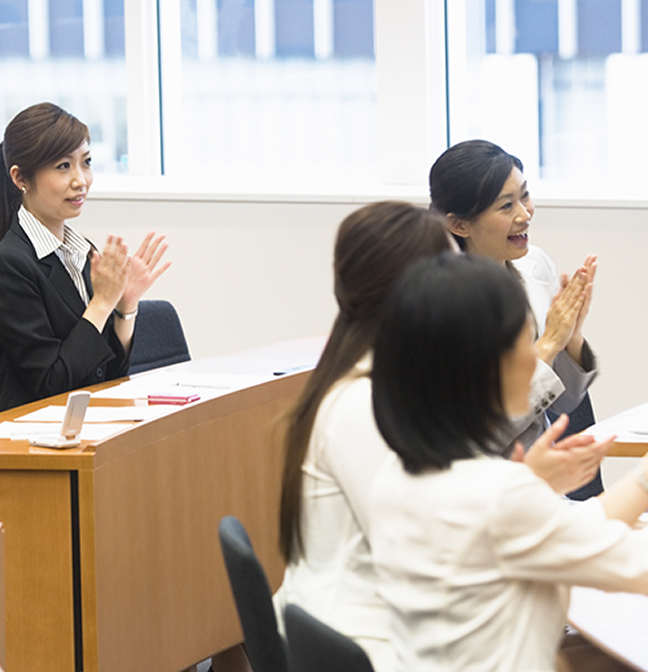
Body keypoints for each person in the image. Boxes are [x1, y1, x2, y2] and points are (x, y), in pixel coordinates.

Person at [274, 203, 611, 672]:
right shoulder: (360, 404)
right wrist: (530, 486)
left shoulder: (388, 381)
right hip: (381, 642)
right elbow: (437, 541)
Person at [369, 253, 648, 672]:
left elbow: (573, 535)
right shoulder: (500, 496)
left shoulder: (396, 475)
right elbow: (632, 567)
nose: (536, 357)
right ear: (487, 363)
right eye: (527, 339)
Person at [0, 102, 169, 413]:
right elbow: (51, 384)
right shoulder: (10, 267)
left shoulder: (84, 252)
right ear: (20, 179)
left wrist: (125, 307)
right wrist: (101, 304)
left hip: (85, 429)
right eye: (63, 166)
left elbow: (107, 375)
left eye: (86, 162)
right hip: (31, 444)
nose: (81, 180)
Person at [429, 140, 597, 456]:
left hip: (541, 475)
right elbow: (481, 434)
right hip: (483, 483)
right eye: (506, 206)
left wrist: (571, 337)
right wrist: (547, 345)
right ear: (459, 224)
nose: (525, 214)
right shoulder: (444, 303)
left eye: (525, 195)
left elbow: (565, 402)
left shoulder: (534, 264)